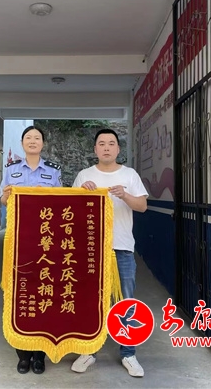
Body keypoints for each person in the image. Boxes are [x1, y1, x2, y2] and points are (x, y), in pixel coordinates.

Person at [70, 128, 148, 378]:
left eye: (111, 143)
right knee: (89, 300)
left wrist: (125, 195)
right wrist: (82, 193)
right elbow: (71, 211)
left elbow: (142, 206)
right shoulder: (84, 175)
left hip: (121, 247)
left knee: (125, 302)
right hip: (90, 250)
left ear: (118, 149)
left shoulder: (129, 175)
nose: (106, 147)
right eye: (101, 143)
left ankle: (129, 354)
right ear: (95, 149)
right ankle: (88, 350)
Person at [0, 125, 62, 375]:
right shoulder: (11, 170)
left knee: (43, 292)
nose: (33, 141)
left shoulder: (53, 171)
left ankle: (40, 355)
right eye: (28, 138)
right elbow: (3, 200)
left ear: (43, 143)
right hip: (18, 240)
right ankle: (23, 354)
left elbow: (63, 204)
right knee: (20, 293)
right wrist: (7, 196)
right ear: (22, 143)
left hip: (45, 242)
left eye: (37, 138)